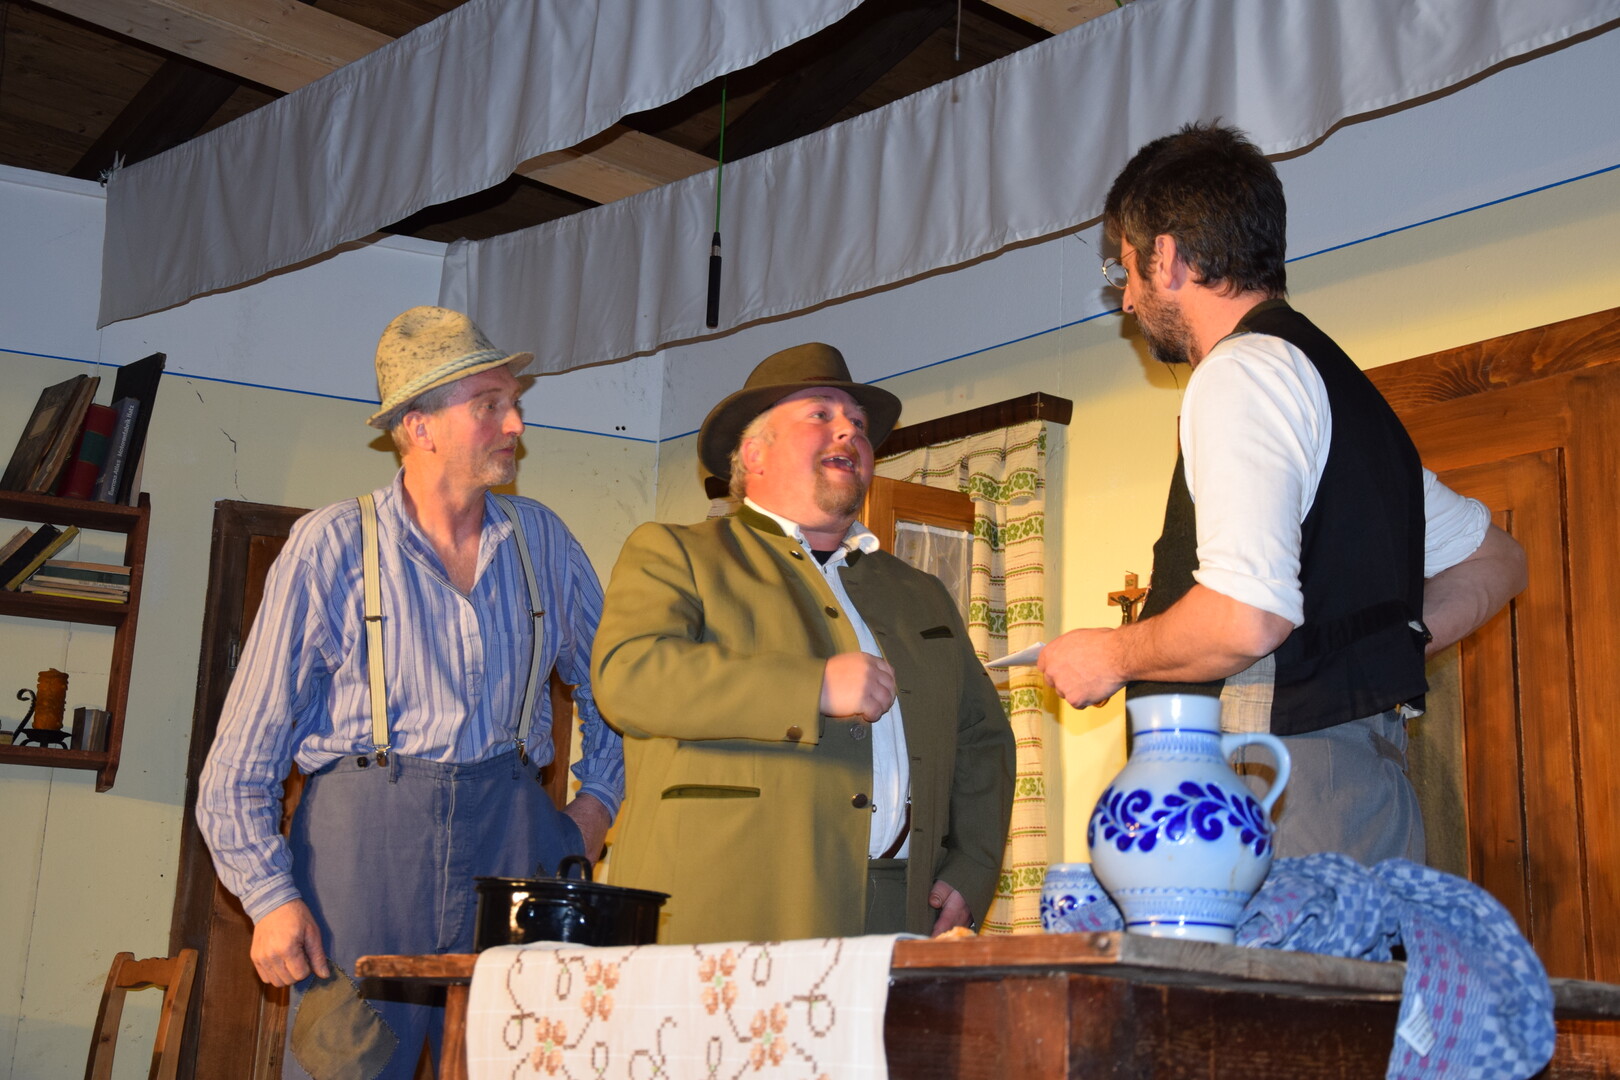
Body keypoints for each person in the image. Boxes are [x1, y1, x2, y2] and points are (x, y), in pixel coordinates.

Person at [1038, 123, 1526, 865]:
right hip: (1364, 791)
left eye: (1126, 270)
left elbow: (1245, 618)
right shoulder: (1336, 387)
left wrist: (1112, 654)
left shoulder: (1239, 375)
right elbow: (1497, 560)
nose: (1128, 300)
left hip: (1276, 789)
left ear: (1166, 256)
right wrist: (1362, 654)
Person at [197, 306, 623, 1078]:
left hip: (514, 861)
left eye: (513, 402)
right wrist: (269, 897)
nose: (516, 423)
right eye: (489, 404)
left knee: (516, 1067)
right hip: (361, 873)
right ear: (418, 426)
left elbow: (620, 691)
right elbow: (238, 766)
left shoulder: (544, 542)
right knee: (351, 1067)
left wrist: (594, 808)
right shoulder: (331, 546)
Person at [591, 343, 1015, 943]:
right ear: (754, 453)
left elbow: (981, 738)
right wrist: (811, 686)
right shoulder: (677, 553)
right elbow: (629, 677)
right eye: (821, 414)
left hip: (901, 914)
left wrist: (971, 868)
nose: (850, 432)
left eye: (858, 424)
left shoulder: (920, 592)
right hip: (730, 914)